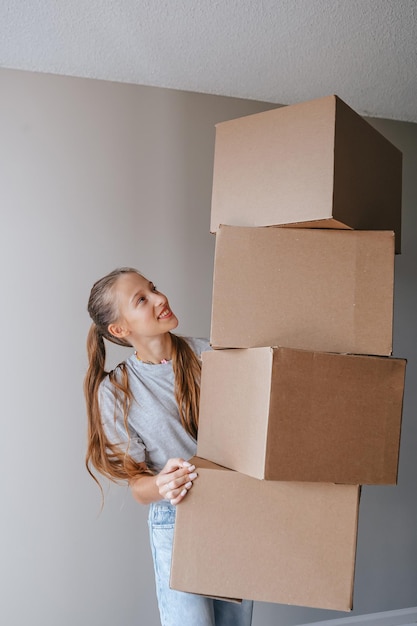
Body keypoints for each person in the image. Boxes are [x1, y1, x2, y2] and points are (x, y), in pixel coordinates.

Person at [84, 267, 253, 626]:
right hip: (175, 520)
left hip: (233, 508)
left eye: (154, 289)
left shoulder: (212, 354)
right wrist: (162, 483)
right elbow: (138, 488)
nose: (161, 299)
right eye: (142, 299)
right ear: (120, 329)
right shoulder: (116, 391)